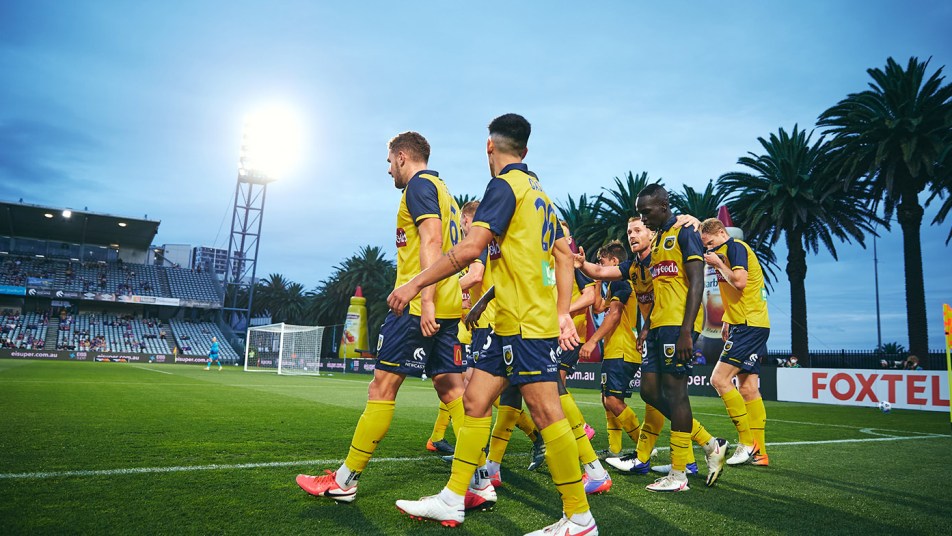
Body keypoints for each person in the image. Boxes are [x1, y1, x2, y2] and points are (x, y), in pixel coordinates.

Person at [390, 114, 598, 535]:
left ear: (490, 146)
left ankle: (579, 518)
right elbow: (564, 255)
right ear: (525, 149)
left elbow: (470, 249)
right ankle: (453, 499)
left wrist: (415, 283)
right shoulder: (540, 193)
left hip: (524, 325)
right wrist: (562, 310)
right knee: (474, 402)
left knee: (546, 412)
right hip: (509, 324)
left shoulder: (504, 186)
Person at [295, 131, 467, 503]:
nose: (389, 170)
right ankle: (480, 477)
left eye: (390, 162)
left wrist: (425, 299)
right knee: (452, 390)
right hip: (450, 308)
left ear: (402, 156)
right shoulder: (445, 190)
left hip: (419, 307)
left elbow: (432, 241)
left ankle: (345, 481)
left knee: (381, 389)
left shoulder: (419, 186)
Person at [616, 186, 727, 491]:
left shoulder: (685, 232)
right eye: (639, 213)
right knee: (650, 392)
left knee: (676, 394)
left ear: (663, 206)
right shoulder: (658, 240)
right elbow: (660, 289)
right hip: (658, 326)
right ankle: (710, 443)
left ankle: (679, 475)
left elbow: (696, 283)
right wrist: (647, 326)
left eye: (646, 212)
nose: (642, 218)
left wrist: (687, 332)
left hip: (678, 326)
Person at [575, 216, 703, 478]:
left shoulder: (664, 250)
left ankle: (688, 450)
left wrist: (695, 221)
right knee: (650, 396)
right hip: (652, 332)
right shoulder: (635, 268)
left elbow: (693, 252)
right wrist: (584, 265)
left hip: (659, 332)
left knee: (664, 396)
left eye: (637, 230)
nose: (632, 235)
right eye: (629, 231)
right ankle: (680, 459)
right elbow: (600, 292)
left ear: (652, 233)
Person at [700, 218, 771, 467]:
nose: (708, 249)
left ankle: (747, 443)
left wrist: (718, 264)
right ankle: (760, 454)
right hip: (748, 323)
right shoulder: (725, 252)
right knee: (748, 388)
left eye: (710, 243)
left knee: (719, 379)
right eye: (705, 246)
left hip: (749, 325)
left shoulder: (735, 247)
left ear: (722, 233)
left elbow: (740, 282)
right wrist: (727, 319)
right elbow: (737, 293)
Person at [579, 241, 643, 460]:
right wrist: (597, 281)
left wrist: (592, 341)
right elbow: (599, 308)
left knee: (613, 401)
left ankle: (644, 447)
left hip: (622, 349)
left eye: (602, 262)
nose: (599, 265)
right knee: (607, 400)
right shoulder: (613, 285)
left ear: (615, 262)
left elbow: (614, 315)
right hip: (616, 349)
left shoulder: (621, 282)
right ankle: (615, 449)